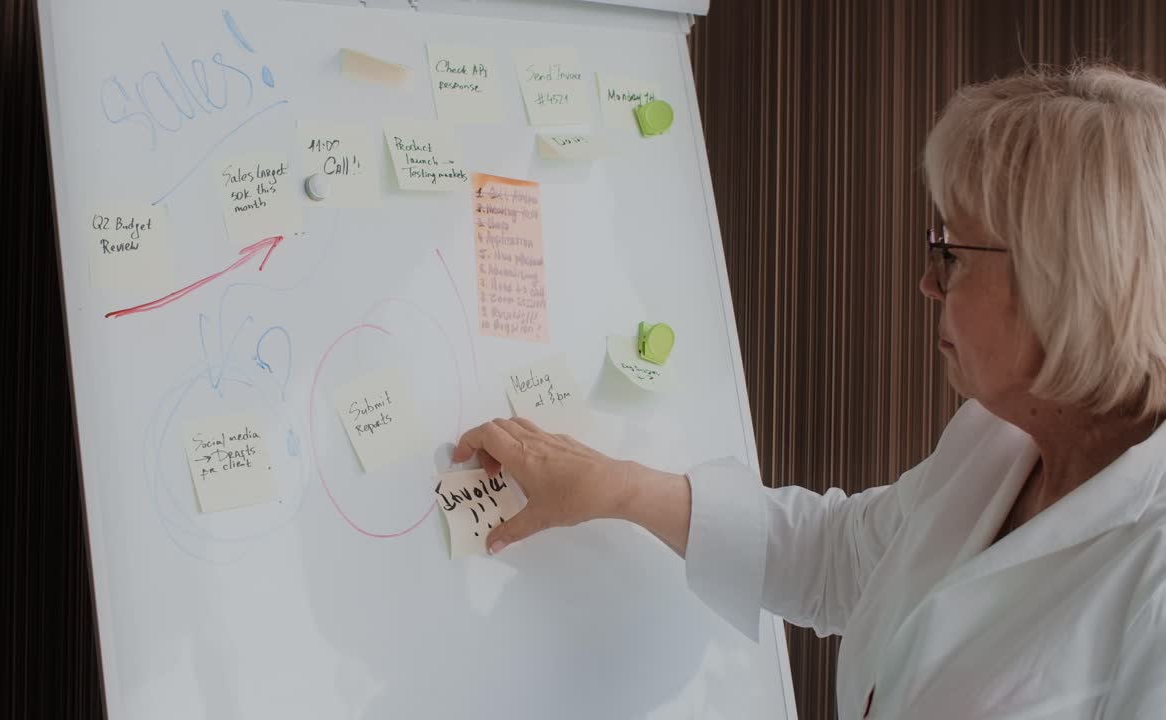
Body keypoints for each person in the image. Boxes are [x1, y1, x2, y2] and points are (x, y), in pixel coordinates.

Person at [452, 63, 1166, 719]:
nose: (927, 281)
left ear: (1062, 283)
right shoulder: (998, 439)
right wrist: (617, 489)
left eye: (951, 252)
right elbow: (846, 559)